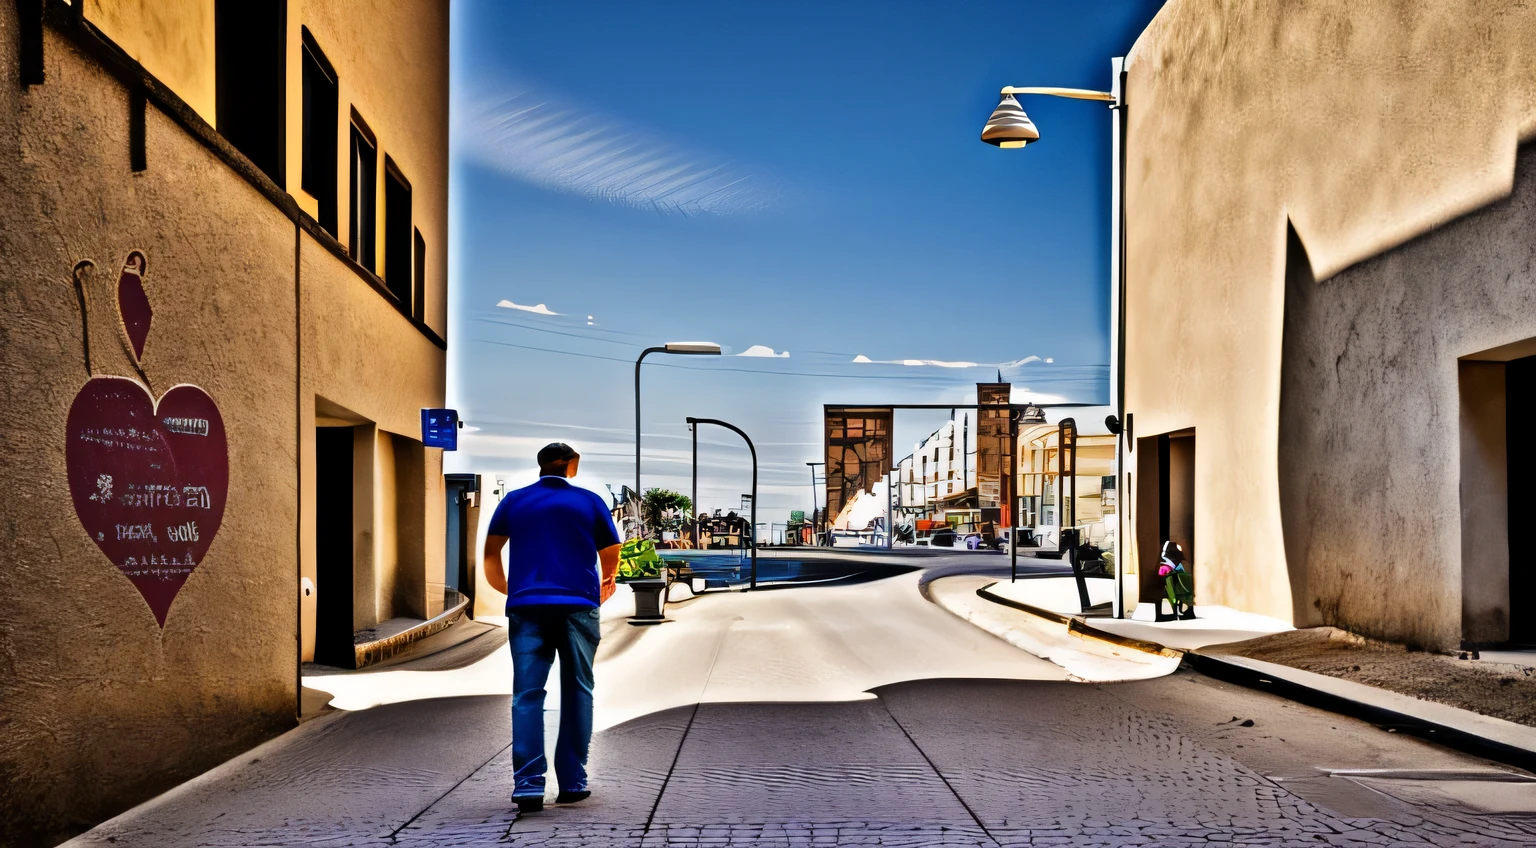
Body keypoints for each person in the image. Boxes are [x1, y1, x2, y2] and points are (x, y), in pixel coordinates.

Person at [483, 442, 622, 814]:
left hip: (527, 607)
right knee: (578, 689)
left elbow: (490, 552)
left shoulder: (514, 500)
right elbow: (611, 554)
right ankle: (573, 782)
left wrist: (509, 589)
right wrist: (603, 587)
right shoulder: (591, 501)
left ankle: (528, 786)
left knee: (526, 695)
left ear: (541, 464)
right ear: (572, 465)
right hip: (578, 606)